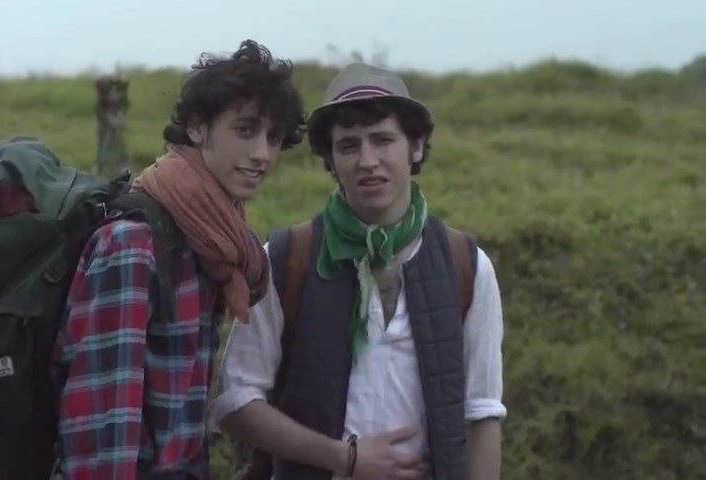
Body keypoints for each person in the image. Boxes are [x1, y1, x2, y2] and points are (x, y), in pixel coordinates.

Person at [210, 62, 506, 480]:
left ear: (415, 147)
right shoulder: (285, 257)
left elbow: (482, 413)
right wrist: (343, 457)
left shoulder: (466, 264)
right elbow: (236, 403)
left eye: (383, 140)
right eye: (349, 146)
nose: (368, 160)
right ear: (331, 159)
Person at [54, 39, 306, 480]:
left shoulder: (215, 244)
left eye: (273, 138)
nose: (262, 154)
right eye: (245, 131)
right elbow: (101, 422)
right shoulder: (134, 245)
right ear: (197, 128)